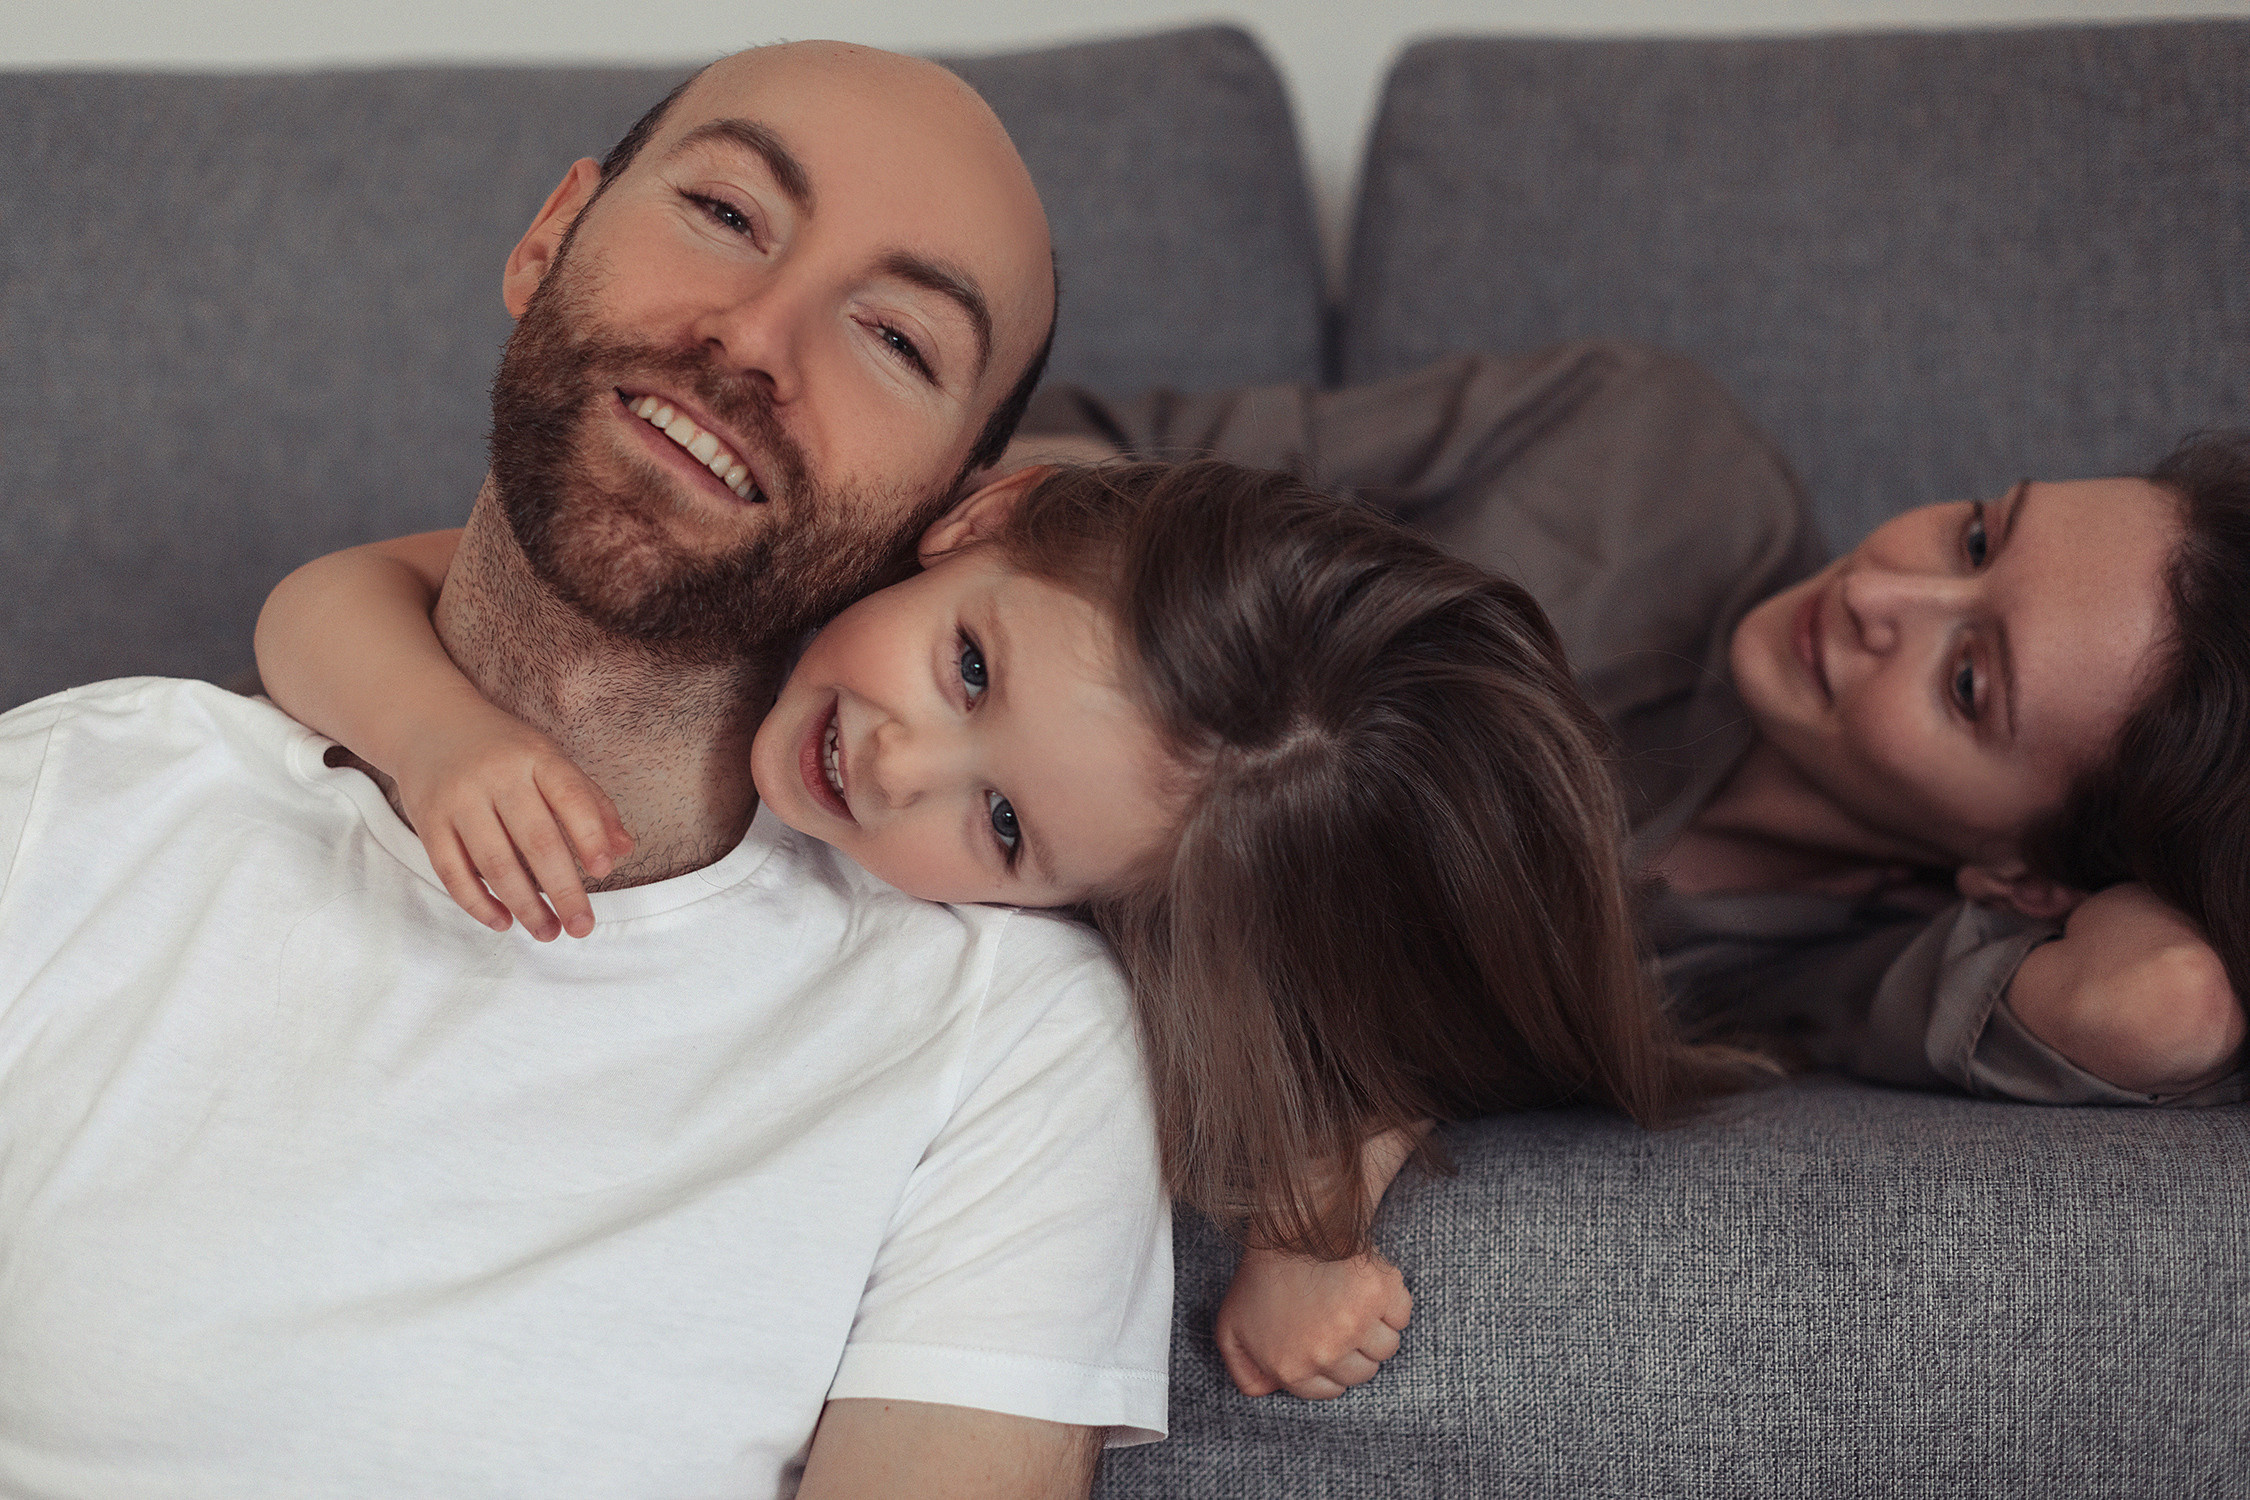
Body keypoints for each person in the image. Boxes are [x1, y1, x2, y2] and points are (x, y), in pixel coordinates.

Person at [0, 42, 1153, 1499]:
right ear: (549, 236)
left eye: (896, 339)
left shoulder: (1008, 1037)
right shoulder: (68, 804)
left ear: (958, 499)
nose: (755, 339)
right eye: (727, 213)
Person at [1005, 342, 2250, 1400]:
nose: (1884, 589)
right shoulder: (1658, 456)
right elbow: (1126, 465)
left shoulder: (1855, 964)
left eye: (1968, 680)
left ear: (2030, 877)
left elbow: (2167, 1002)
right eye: (1977, 534)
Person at [258, 451, 1757, 1319]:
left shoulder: (1044, 977)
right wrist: (440, 737)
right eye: (968, 668)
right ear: (983, 518)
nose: (899, 762)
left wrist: (1315, 1220)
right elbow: (333, 594)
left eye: (1000, 826)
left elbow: (1332, 1044)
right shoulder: (752, 583)